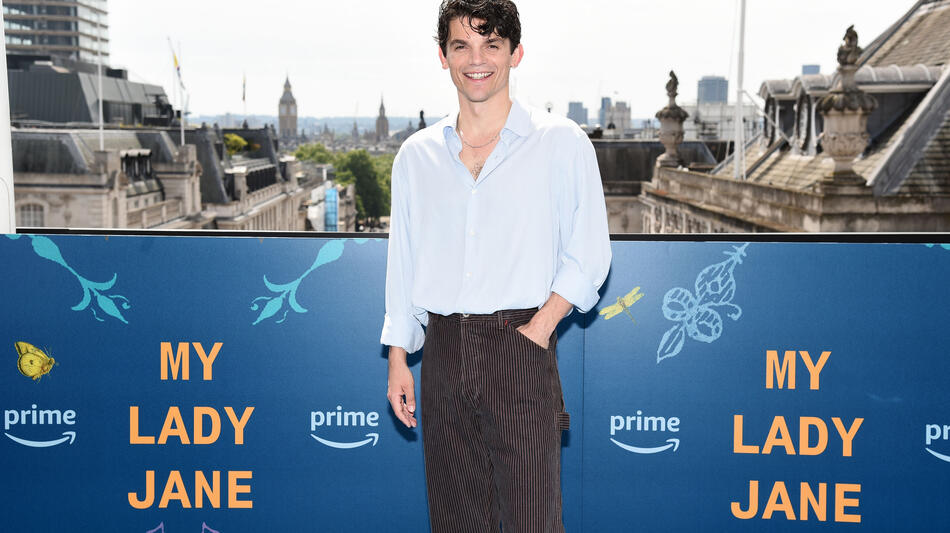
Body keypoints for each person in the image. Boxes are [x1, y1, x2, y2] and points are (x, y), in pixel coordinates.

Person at [380, 0, 611, 530]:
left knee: (531, 521)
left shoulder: (561, 142)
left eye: (491, 44)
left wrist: (541, 326)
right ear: (443, 56)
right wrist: (399, 355)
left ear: (515, 53)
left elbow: (590, 251)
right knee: (456, 521)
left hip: (519, 346)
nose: (476, 58)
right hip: (442, 352)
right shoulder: (416, 156)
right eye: (462, 44)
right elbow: (404, 259)